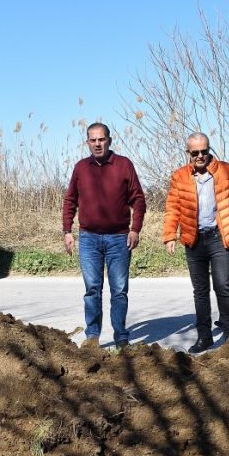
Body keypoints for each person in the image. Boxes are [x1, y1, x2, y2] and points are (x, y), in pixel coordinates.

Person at [62, 122, 146, 349]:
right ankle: (92, 337)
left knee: (119, 291)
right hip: (88, 238)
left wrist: (135, 229)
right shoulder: (81, 168)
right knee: (92, 290)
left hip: (119, 238)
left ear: (109, 140)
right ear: (87, 142)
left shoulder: (124, 165)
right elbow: (70, 200)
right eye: (93, 140)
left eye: (101, 139)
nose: (97, 144)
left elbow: (138, 200)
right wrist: (67, 231)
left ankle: (120, 336)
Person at [162, 132, 229, 353]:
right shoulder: (179, 176)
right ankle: (204, 336)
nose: (200, 156)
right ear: (187, 152)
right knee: (200, 291)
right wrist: (170, 235)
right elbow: (172, 208)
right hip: (194, 239)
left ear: (209, 150)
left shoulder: (226, 171)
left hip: (220, 237)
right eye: (195, 153)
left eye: (204, 151)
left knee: (223, 286)